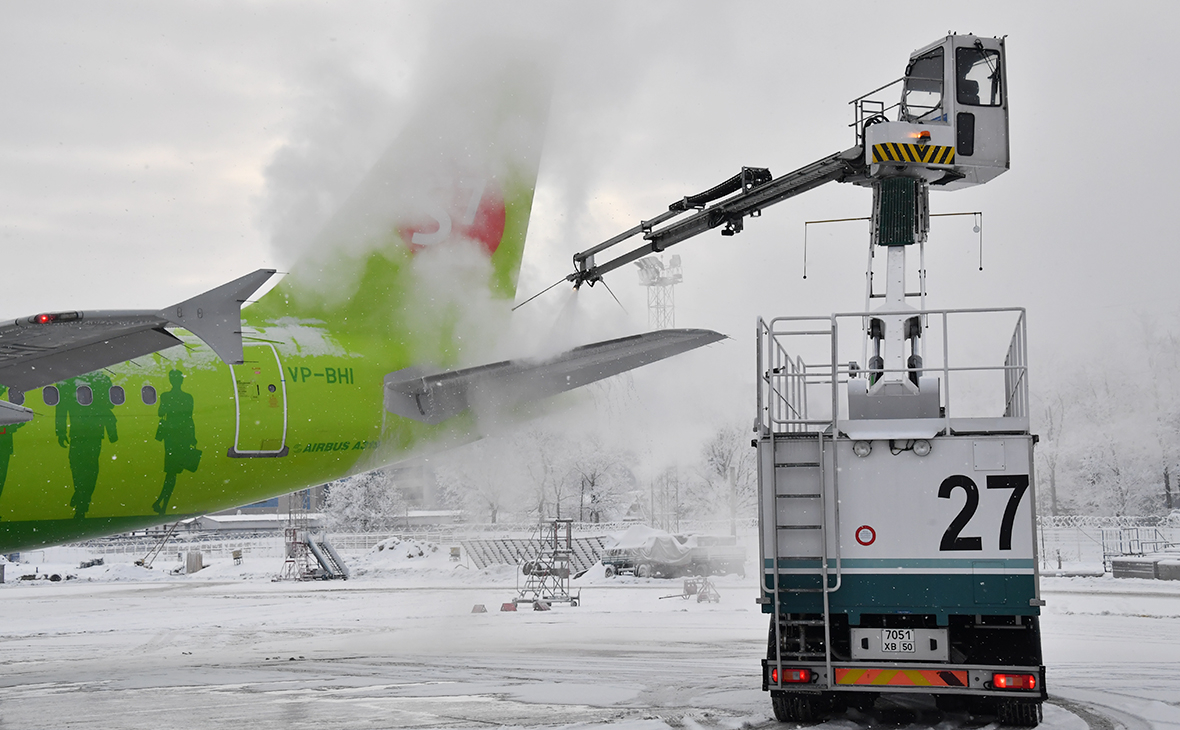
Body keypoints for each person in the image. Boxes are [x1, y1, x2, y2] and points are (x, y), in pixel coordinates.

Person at [152, 370, 201, 515]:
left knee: (171, 472)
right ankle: (162, 503)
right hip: (183, 436)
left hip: (171, 436)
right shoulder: (187, 397)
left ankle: (162, 503)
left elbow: (161, 413)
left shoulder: (166, 396)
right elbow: (189, 418)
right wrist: (192, 438)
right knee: (172, 472)